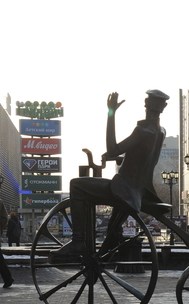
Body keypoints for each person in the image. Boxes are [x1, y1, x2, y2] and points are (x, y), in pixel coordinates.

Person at [50, 90, 171, 261]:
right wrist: (122, 157)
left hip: (124, 190)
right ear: (163, 107)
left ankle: (78, 241)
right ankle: (108, 249)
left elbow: (113, 148)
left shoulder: (142, 130)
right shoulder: (160, 131)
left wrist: (111, 113)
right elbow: (144, 157)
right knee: (112, 230)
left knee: (76, 185)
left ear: (145, 103)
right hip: (139, 191)